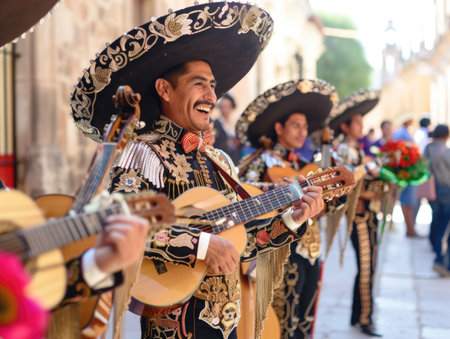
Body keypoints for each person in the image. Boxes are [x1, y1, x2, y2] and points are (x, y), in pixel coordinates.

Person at [70, 3, 324, 338]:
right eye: (199, 83)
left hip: (227, 321)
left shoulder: (218, 160)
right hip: (174, 325)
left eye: (213, 85)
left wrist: (294, 217)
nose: (212, 95)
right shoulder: (142, 153)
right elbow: (122, 228)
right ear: (164, 89)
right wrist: (202, 246)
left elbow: (241, 243)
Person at [236, 78, 338, 338]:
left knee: (304, 320)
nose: (302, 132)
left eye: (305, 127)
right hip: (278, 249)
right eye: (295, 125)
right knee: (282, 322)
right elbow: (241, 192)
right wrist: (274, 190)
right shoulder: (260, 160)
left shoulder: (306, 164)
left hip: (310, 250)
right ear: (279, 127)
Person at [329, 89, 384, 337]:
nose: (362, 126)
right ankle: (365, 319)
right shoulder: (342, 150)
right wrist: (367, 194)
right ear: (345, 125)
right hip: (358, 216)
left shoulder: (354, 148)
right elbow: (342, 186)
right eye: (358, 122)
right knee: (366, 267)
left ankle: (359, 315)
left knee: (369, 266)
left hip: (368, 216)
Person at [423, 124, 450, 277]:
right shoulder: (446, 152)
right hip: (447, 192)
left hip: (432, 191)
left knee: (437, 222)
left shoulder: (427, 150)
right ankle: (441, 260)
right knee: (445, 228)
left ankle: (437, 254)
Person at [392, 119, 420, 236]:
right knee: (407, 201)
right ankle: (410, 229)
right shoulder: (402, 134)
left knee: (408, 201)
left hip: (407, 170)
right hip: (406, 171)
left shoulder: (402, 133)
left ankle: (410, 228)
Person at [213, 93, 241, 164]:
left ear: (231, 108)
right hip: (223, 161)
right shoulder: (216, 124)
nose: (224, 109)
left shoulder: (235, 123)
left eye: (226, 107)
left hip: (235, 159)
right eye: (222, 107)